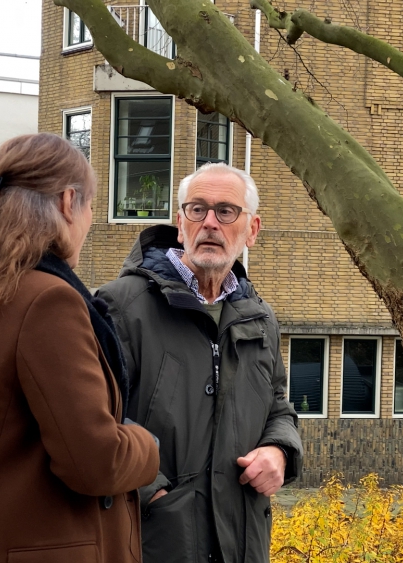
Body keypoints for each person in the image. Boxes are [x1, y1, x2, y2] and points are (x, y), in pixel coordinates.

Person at [0, 133, 160, 563]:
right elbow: (95, 461)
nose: (91, 220)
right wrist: (147, 445)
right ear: (68, 202)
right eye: (91, 205)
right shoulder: (48, 301)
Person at [97, 162, 303, 563]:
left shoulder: (260, 318)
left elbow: (277, 407)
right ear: (180, 223)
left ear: (252, 230)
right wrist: (153, 493)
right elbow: (96, 418)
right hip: (153, 539)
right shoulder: (119, 306)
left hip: (242, 541)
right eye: (197, 209)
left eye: (226, 211)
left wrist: (279, 451)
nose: (210, 222)